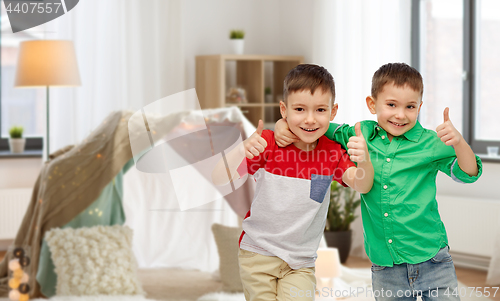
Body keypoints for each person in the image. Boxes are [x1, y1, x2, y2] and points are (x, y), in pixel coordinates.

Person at [274, 62, 483, 301]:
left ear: (419, 107)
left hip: (432, 258)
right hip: (385, 264)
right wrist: (282, 123)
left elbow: (469, 173)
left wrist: (459, 142)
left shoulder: (430, 143)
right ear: (372, 104)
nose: (400, 114)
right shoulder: (359, 133)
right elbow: (313, 129)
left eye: (410, 106)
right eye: (391, 104)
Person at [212, 64, 374, 301]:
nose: (310, 119)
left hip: (300, 262)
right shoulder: (267, 143)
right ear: (284, 110)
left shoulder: (332, 152)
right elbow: (219, 178)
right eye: (300, 109)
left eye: (320, 109)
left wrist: (365, 161)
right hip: (258, 254)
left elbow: (362, 185)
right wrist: (241, 150)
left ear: (333, 111)